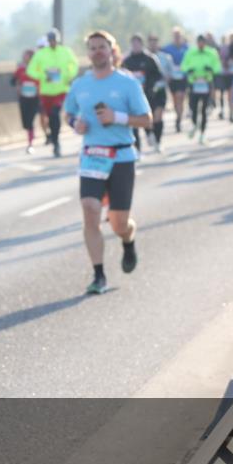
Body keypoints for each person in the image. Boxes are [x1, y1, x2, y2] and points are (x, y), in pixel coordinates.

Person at [65, 31, 151, 295]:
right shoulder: (80, 85)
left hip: (121, 156)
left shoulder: (128, 84)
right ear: (88, 53)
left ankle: (128, 239)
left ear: (112, 51)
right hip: (92, 155)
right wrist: (75, 124)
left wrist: (117, 117)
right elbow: (68, 113)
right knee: (90, 209)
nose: (97, 52)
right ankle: (99, 275)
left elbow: (146, 119)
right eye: (92, 48)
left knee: (118, 224)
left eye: (102, 47)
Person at [26, 28, 79, 157]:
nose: (52, 42)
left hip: (61, 90)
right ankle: (55, 141)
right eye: (50, 40)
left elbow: (74, 65)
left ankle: (57, 143)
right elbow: (30, 70)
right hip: (46, 91)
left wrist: (67, 75)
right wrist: (42, 76)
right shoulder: (41, 53)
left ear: (58, 40)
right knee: (51, 117)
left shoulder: (66, 51)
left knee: (56, 113)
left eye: (54, 40)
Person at [121, 34, 165, 153]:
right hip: (132, 97)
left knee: (151, 119)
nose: (135, 46)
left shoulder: (150, 59)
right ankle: (137, 150)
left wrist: (153, 86)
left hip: (149, 94)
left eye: (137, 43)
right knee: (134, 122)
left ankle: (154, 136)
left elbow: (159, 75)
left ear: (141, 44)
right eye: (133, 44)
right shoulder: (126, 61)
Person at [181, 35, 223, 144]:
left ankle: (202, 134)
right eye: (199, 42)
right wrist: (189, 70)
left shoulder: (211, 52)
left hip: (206, 83)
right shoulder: (190, 52)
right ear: (197, 42)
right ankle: (195, 124)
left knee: (204, 110)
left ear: (205, 43)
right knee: (193, 107)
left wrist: (211, 69)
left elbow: (218, 67)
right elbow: (184, 65)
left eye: (202, 42)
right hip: (194, 83)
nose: (201, 44)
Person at [11, 49, 41, 154]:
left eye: (26, 56)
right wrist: (18, 85)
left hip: (35, 97)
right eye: (24, 56)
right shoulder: (21, 69)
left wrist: (39, 88)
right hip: (24, 97)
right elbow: (12, 81)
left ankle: (30, 143)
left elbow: (44, 80)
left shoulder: (38, 68)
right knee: (26, 122)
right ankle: (31, 135)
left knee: (31, 120)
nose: (24, 57)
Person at [146, 34, 172, 152]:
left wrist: (164, 79)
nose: (153, 43)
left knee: (158, 116)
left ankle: (158, 140)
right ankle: (149, 133)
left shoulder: (165, 57)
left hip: (160, 90)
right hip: (148, 91)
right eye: (150, 41)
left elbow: (169, 74)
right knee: (149, 116)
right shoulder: (144, 57)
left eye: (155, 41)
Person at [163, 27, 190, 132]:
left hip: (183, 77)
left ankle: (179, 119)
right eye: (175, 36)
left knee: (181, 97)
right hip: (173, 77)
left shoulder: (187, 48)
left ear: (181, 36)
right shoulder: (167, 48)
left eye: (178, 35)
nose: (177, 37)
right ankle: (177, 115)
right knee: (175, 99)